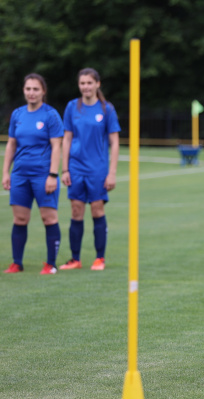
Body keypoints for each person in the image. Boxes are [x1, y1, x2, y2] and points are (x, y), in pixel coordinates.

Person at [59, 68, 121, 271]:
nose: (85, 87)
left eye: (89, 83)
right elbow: (66, 139)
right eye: (82, 83)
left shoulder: (106, 109)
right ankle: (75, 259)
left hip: (97, 169)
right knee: (76, 211)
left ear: (97, 84)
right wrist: (65, 168)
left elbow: (114, 141)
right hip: (76, 168)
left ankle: (99, 258)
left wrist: (111, 172)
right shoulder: (71, 107)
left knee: (97, 210)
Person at [2, 74, 64, 274]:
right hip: (20, 175)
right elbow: (12, 144)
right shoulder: (17, 114)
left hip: (43, 175)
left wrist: (52, 175)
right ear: (23, 90)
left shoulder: (51, 115)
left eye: (35, 89)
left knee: (49, 218)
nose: (31, 93)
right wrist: (5, 172)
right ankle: (17, 263)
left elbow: (57, 147)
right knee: (19, 219)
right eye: (28, 89)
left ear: (43, 91)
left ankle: (50, 264)